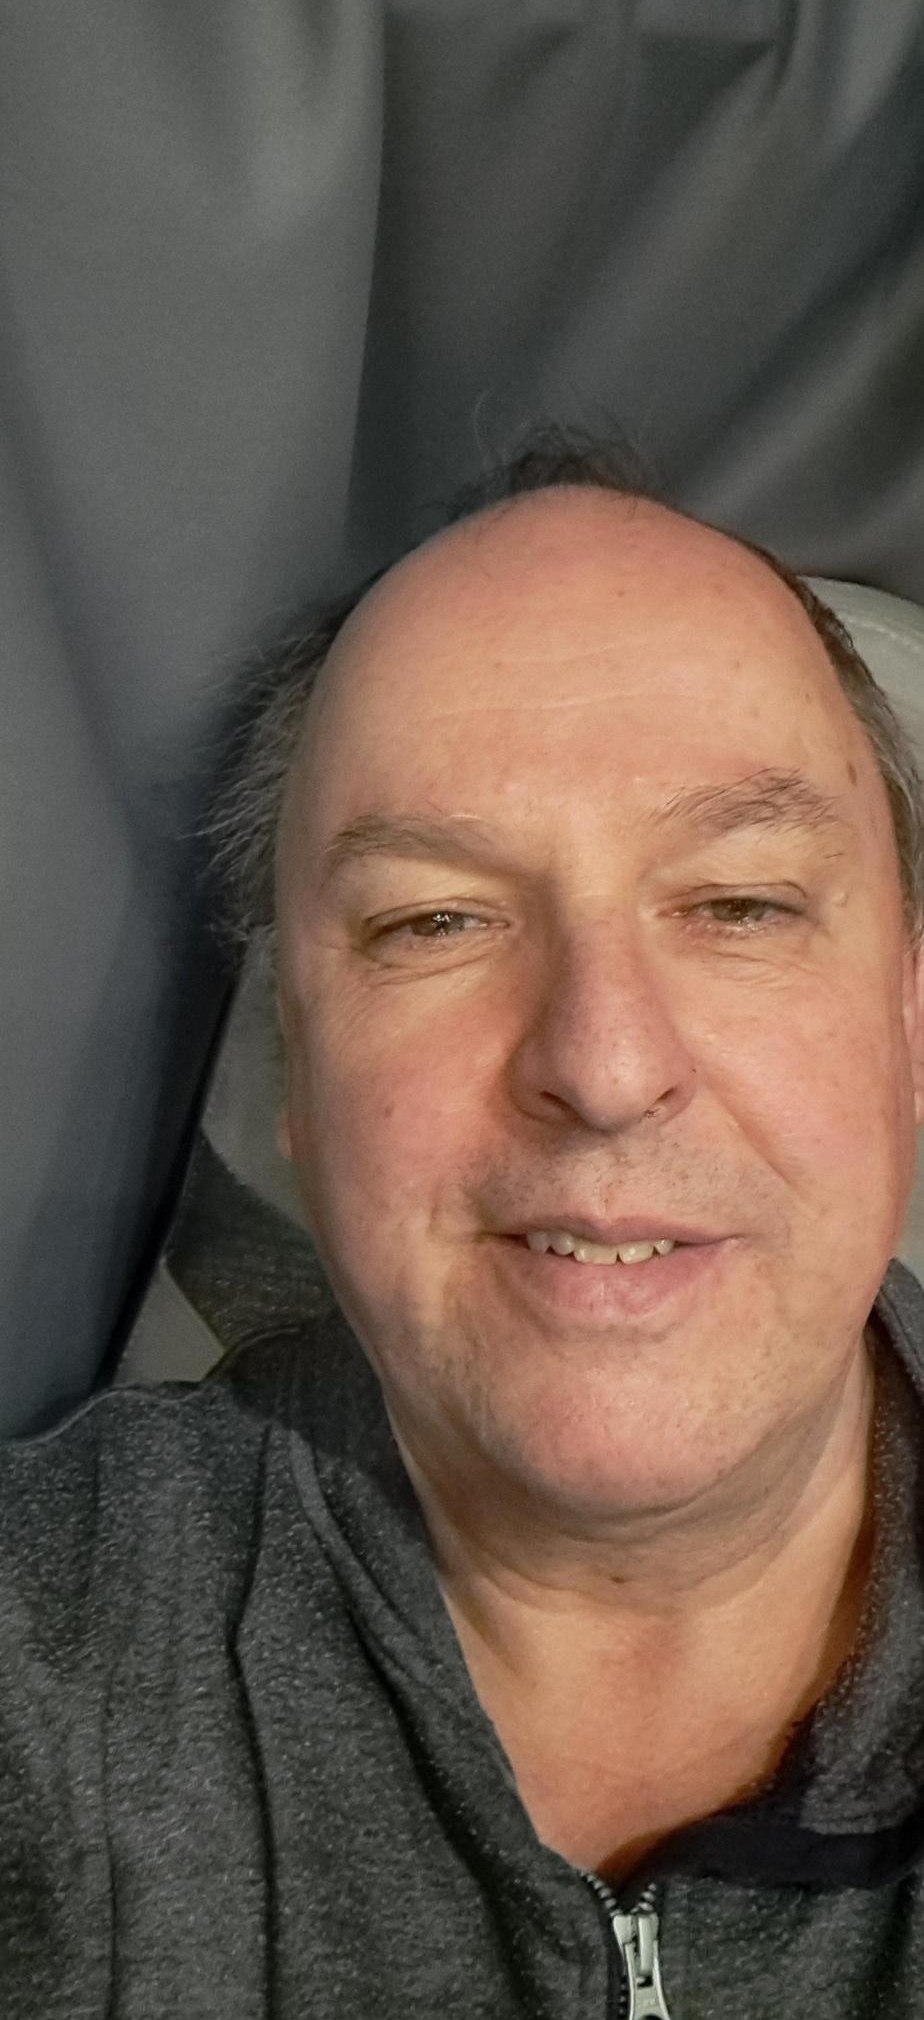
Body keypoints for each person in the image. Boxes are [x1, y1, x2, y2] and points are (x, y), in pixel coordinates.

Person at [4, 431, 924, 2019]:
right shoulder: (49, 1650)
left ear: (908, 1024)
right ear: (297, 1080)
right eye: (435, 921)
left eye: (738, 904)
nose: (605, 1064)